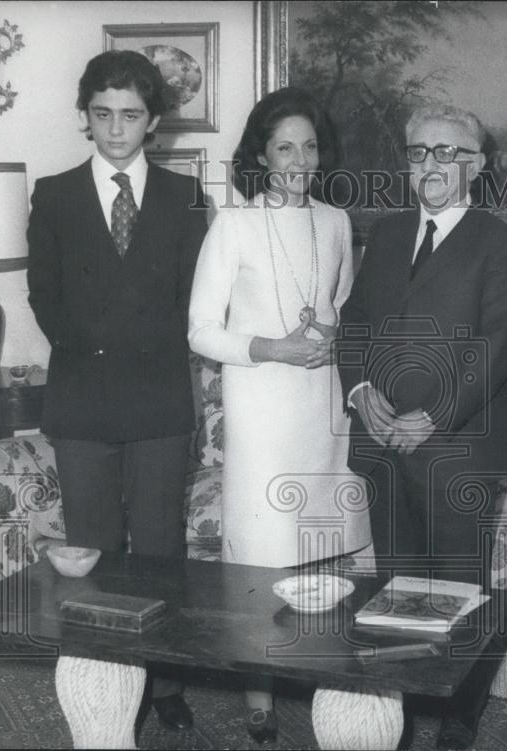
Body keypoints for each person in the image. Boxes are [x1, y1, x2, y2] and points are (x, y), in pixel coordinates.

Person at [26, 50, 209, 732]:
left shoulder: (185, 195)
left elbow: (195, 299)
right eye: (101, 114)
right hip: (82, 398)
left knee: (160, 550)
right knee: (91, 550)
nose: (115, 129)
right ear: (86, 117)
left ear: (152, 122)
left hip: (160, 398)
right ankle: (101, 688)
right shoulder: (54, 193)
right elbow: (43, 294)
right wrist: (93, 348)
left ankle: (163, 682)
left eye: (130, 116)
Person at [187, 86, 373, 744]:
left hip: (319, 404)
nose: (299, 159)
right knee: (265, 548)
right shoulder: (234, 223)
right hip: (262, 404)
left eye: (310, 146)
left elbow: (339, 301)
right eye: (284, 146)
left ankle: (321, 670)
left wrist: (318, 338)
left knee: (320, 547)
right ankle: (259, 690)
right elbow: (202, 331)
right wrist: (272, 346)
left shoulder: (335, 220)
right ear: (261, 155)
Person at [338, 104, 507, 751]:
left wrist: (435, 414)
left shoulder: (501, 242)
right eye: (420, 151)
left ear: (474, 164)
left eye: (447, 152)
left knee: (456, 588)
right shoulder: (386, 233)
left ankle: (458, 717)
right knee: (399, 589)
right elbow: (354, 323)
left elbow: (495, 347)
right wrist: (360, 391)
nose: (431, 164)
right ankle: (403, 707)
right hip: (384, 446)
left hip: (457, 448)